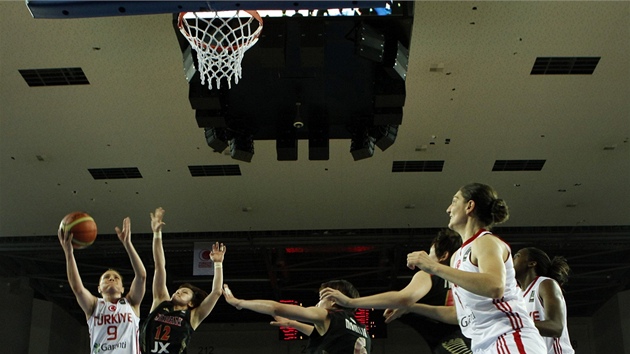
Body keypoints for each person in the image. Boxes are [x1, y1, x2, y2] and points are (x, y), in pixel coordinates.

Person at [404, 182, 546, 353]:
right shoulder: (458, 256)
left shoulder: (485, 241)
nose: (448, 209)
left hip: (509, 337)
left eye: (454, 201)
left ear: (469, 206)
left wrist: (433, 266)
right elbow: (460, 314)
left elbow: (495, 286)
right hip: (483, 344)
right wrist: (410, 306)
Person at [320, 229, 472, 354]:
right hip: (477, 339)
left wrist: (351, 302)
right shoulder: (464, 280)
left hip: (454, 344)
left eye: (429, 253)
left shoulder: (429, 274)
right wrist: (409, 308)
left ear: (443, 256)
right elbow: (455, 315)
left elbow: (404, 298)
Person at [140, 207, 226, 354]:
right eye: (178, 291)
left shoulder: (193, 316)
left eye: (184, 292)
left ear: (191, 302)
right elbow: (160, 267)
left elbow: (217, 292)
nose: (178, 292)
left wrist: (218, 264)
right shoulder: (160, 302)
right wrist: (156, 234)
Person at [58, 216, 146, 354]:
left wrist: (128, 244)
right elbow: (78, 289)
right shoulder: (94, 305)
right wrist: (69, 253)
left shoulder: (131, 303)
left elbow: (141, 276)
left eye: (116, 278)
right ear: (99, 288)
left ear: (123, 289)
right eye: (106, 278)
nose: (111, 279)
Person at [223, 279, 371, 354]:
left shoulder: (328, 314)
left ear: (333, 301)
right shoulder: (361, 328)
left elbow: (276, 307)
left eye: (321, 297)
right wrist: (293, 324)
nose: (318, 303)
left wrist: (240, 302)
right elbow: (327, 335)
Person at [514, 247, 575, 354]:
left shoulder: (545, 284)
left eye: (517, 256)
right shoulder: (518, 296)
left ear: (531, 263)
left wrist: (515, 324)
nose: (511, 261)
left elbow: (556, 327)